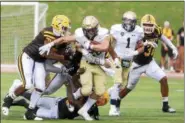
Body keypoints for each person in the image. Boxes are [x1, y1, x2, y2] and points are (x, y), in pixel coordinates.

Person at [39, 15, 112, 121]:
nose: (90, 33)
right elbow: (67, 43)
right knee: (48, 90)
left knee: (77, 89)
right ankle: (27, 93)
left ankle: (37, 101)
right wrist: (51, 44)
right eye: (88, 30)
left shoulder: (102, 41)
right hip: (72, 68)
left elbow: (106, 57)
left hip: (75, 70)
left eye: (92, 30)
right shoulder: (79, 36)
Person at [2, 15, 71, 120]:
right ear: (57, 25)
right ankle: (9, 99)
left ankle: (29, 112)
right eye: (64, 28)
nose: (66, 30)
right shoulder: (48, 33)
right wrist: (64, 56)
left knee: (40, 88)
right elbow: (46, 54)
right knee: (27, 84)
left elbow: (61, 55)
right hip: (28, 56)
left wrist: (70, 60)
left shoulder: (61, 39)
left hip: (39, 61)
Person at [118, 14, 178, 113]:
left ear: (154, 25)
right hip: (136, 64)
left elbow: (163, 38)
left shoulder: (157, 30)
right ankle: (115, 102)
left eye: (150, 25)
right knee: (128, 88)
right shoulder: (136, 33)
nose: (148, 27)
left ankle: (165, 106)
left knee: (163, 79)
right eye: (146, 25)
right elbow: (130, 48)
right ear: (141, 25)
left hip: (149, 62)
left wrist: (173, 47)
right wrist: (145, 44)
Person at [108, 11, 146, 116]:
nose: (129, 24)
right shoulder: (116, 29)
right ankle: (112, 108)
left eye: (131, 21)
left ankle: (106, 93)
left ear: (135, 22)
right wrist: (112, 56)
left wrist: (135, 52)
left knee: (123, 85)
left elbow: (142, 46)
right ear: (123, 21)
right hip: (117, 58)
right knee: (118, 82)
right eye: (127, 21)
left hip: (128, 60)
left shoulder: (139, 31)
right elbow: (108, 43)